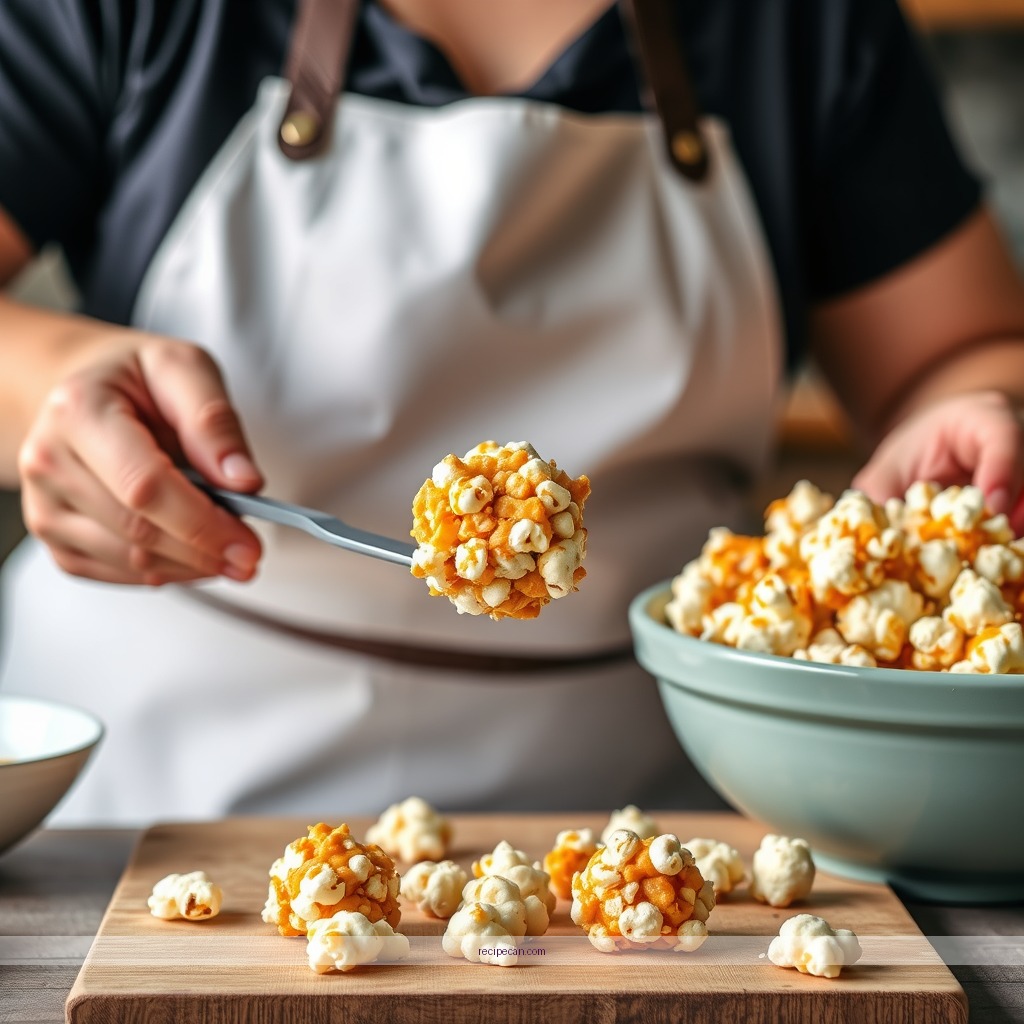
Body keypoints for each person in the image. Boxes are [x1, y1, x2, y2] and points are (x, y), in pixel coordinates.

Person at [0, 0, 1022, 826]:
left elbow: (957, 353)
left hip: (645, 831)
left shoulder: (802, 24)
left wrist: (980, 411)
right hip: (144, 803)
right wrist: (55, 383)